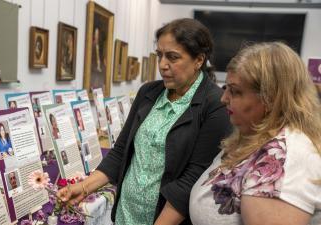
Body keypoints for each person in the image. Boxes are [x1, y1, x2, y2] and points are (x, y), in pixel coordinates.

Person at [57, 18, 231, 225]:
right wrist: (84, 187)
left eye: (173, 57)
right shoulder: (150, 92)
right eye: (159, 55)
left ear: (198, 60)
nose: (162, 65)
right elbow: (121, 151)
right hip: (127, 212)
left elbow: (192, 180)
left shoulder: (215, 104)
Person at [189, 42, 321, 225]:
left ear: (271, 98)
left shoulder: (282, 155)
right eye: (226, 88)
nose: (223, 98)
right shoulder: (252, 135)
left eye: (235, 91)